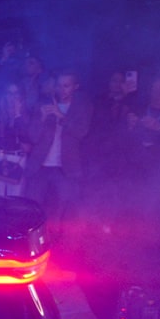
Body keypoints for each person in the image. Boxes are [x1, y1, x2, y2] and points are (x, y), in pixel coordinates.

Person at [26, 70, 93, 249]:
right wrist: (42, 118)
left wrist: (61, 116)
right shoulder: (44, 104)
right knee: (33, 208)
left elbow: (81, 132)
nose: (62, 89)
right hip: (40, 166)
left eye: (66, 85)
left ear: (75, 87)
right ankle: (31, 245)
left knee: (62, 210)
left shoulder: (82, 107)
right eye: (59, 85)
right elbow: (32, 136)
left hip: (65, 168)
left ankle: (56, 247)